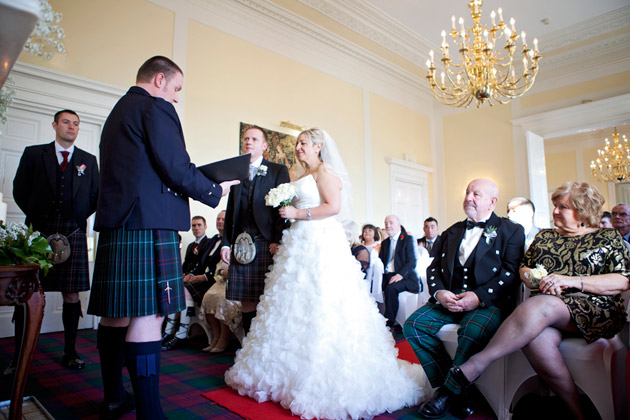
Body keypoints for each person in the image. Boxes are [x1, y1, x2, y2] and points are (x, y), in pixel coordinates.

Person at [225, 128, 428, 420]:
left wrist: (297, 214)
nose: (298, 148)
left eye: (303, 143)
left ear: (318, 146)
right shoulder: (298, 173)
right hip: (298, 243)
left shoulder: (326, 172)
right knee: (291, 303)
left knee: (321, 300)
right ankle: (282, 371)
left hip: (320, 242)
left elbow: (333, 207)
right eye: (296, 144)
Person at [86, 56, 237, 420]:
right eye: (176, 89)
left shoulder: (120, 111)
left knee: (115, 316)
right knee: (149, 316)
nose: (177, 97)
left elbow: (150, 167)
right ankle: (151, 415)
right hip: (148, 224)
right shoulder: (155, 107)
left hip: (119, 224)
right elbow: (174, 165)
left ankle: (113, 398)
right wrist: (215, 190)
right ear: (159, 80)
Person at [453, 182, 630, 420]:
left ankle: (478, 362)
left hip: (595, 309)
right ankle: (579, 413)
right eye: (555, 206)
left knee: (544, 304)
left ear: (583, 209)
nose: (555, 211)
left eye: (562, 207)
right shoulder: (545, 236)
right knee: (535, 340)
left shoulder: (606, 237)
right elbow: (524, 267)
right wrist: (533, 277)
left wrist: (573, 281)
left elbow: (623, 280)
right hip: (545, 315)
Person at [403, 178, 525, 419]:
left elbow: (510, 273)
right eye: (467, 192)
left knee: (472, 331)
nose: (469, 197)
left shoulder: (511, 230)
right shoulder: (452, 231)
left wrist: (479, 297)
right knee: (413, 326)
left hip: (488, 302)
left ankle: (446, 393)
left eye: (476, 194)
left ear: (493, 202)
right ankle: (456, 391)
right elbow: (433, 269)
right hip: (450, 300)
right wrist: (439, 292)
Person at [12, 109, 99, 372]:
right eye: (66, 122)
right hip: (38, 233)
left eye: (75, 124)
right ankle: (19, 357)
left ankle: (70, 352)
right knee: (27, 292)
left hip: (72, 232)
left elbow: (95, 195)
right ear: (54, 125)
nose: (71, 127)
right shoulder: (34, 154)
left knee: (71, 294)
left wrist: (76, 218)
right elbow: (19, 189)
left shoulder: (88, 160)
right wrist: (37, 220)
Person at [220, 126, 290, 335]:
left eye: (254, 139)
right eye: (246, 139)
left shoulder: (278, 170)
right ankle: (248, 347)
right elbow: (231, 210)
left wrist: (277, 239)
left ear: (265, 146)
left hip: (265, 240)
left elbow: (282, 209)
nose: (248, 142)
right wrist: (226, 242)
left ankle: (264, 344)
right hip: (241, 240)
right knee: (245, 299)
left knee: (264, 295)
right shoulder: (236, 171)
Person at [162, 215, 213, 350]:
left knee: (184, 289)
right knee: (172, 288)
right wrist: (182, 274)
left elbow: (203, 265)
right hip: (189, 280)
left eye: (199, 225)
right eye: (194, 225)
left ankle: (181, 333)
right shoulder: (191, 245)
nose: (196, 228)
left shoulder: (208, 243)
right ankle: (168, 330)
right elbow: (185, 265)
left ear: (205, 226)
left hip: (200, 281)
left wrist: (191, 275)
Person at [379, 214, 420, 329]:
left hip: (406, 277)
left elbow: (412, 262)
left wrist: (400, 274)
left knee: (391, 288)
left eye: (391, 223)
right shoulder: (385, 243)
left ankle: (389, 324)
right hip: (387, 275)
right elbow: (382, 262)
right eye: (386, 223)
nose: (388, 226)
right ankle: (374, 319)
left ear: (399, 225)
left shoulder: (407, 239)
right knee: (372, 286)